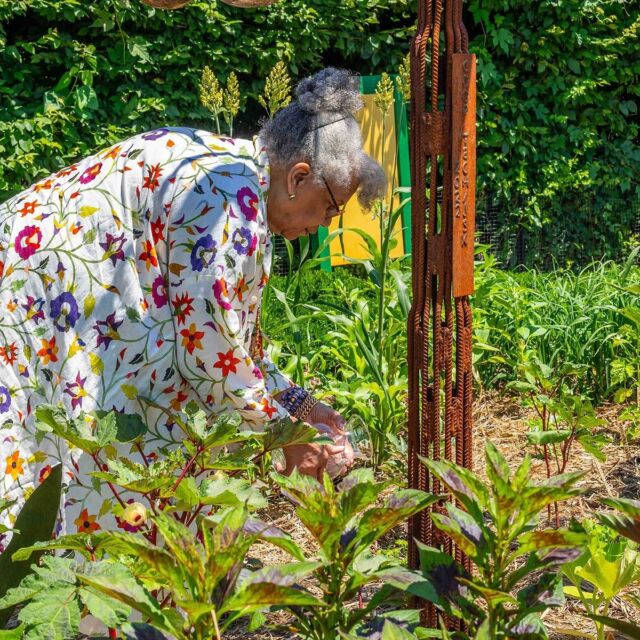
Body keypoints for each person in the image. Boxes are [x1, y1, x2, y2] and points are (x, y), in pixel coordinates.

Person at [0, 67, 386, 542]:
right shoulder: (229, 206)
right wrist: (286, 440)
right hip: (31, 299)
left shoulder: (236, 178)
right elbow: (206, 351)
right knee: (42, 446)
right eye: (330, 206)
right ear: (298, 176)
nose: (326, 224)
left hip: (49, 295)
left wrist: (300, 406)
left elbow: (229, 346)